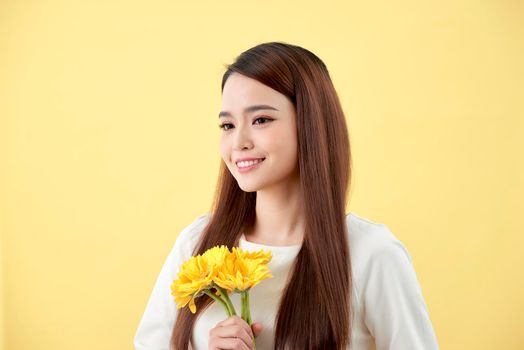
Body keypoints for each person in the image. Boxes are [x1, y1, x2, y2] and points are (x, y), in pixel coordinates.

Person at [133, 41, 439, 350]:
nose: (239, 141)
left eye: (261, 120)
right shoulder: (197, 243)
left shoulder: (371, 253)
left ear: (310, 124)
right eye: (227, 125)